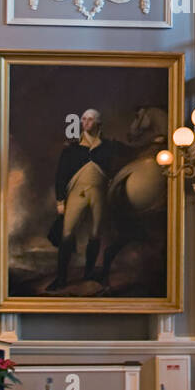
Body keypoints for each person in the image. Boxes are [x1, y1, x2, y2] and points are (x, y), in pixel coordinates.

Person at [50, 108, 123, 290]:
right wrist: (60, 201)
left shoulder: (108, 147)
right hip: (76, 193)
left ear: (98, 123)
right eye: (83, 119)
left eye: (90, 119)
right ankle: (61, 278)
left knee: (95, 233)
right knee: (67, 234)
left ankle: (89, 273)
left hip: (99, 194)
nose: (86, 122)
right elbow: (60, 176)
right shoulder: (71, 150)